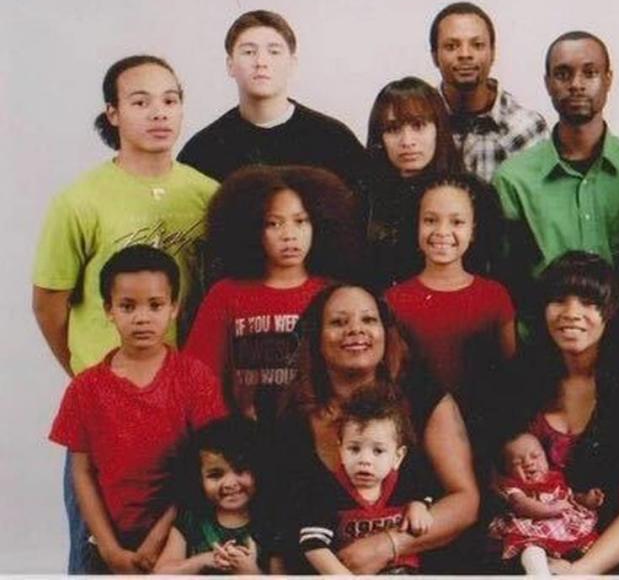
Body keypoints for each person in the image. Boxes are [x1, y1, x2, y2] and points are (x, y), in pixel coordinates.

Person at [32, 54, 217, 573]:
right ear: (112, 114)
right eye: (140, 102)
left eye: (170, 100)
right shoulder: (80, 201)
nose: (158, 113)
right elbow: (48, 303)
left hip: (182, 407)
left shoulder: (206, 194)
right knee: (97, 554)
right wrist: (84, 371)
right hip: (109, 415)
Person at [275, 283, 479, 574]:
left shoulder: (425, 400)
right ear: (316, 339)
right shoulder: (292, 417)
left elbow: (465, 502)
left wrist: (387, 546)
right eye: (338, 322)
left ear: (386, 333)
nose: (356, 329)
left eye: (369, 320)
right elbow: (281, 527)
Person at [48, 246, 226, 574]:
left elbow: (208, 467)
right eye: (128, 306)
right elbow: (82, 473)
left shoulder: (195, 378)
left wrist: (159, 538)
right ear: (108, 310)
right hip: (107, 541)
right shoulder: (85, 388)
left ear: (174, 308)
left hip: (181, 536)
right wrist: (109, 548)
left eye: (155, 305)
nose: (142, 318)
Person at [493, 31, 619, 329]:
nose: (576, 84)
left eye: (589, 73)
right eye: (563, 74)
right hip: (543, 348)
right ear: (548, 83)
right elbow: (505, 284)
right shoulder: (514, 182)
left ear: (608, 79)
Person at [499, 251, 619, 574]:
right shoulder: (516, 380)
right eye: (559, 300)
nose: (572, 313)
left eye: (589, 303)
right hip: (524, 554)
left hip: (607, 559)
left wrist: (579, 572)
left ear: (611, 312)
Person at [183, 165, 362, 427]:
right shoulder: (226, 294)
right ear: (251, 229)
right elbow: (200, 377)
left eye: (301, 221)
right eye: (273, 223)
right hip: (244, 442)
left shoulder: (335, 294)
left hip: (321, 438)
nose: (289, 235)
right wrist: (221, 435)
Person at [177, 9, 367, 190]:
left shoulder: (334, 139)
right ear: (230, 65)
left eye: (274, 52)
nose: (261, 62)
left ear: (292, 64)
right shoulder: (203, 149)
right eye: (249, 52)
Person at [385, 172, 515, 401]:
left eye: (457, 222)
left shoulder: (495, 296)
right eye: (430, 220)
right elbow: (392, 380)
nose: (442, 232)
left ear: (473, 229)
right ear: (416, 224)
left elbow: (511, 375)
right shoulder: (395, 299)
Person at [292, 385, 436, 574]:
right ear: (340, 449)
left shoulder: (405, 483)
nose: (365, 460)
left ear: (398, 457)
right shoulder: (328, 490)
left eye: (378, 451)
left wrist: (419, 506)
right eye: (354, 449)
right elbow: (312, 542)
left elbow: (427, 493)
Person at [430, 1, 549, 181]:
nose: (465, 54)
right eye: (451, 46)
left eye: (477, 45)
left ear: (493, 53)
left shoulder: (527, 127)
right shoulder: (417, 124)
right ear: (434, 56)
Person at [365, 77, 465, 288]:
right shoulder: (365, 199)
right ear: (379, 138)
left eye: (418, 126)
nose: (407, 141)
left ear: (439, 128)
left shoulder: (472, 194)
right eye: (392, 129)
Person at [155, 415, 276, 574]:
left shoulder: (272, 524)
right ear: (198, 479)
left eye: (240, 470)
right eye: (216, 475)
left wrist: (250, 572)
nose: (230, 483)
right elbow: (159, 574)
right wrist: (206, 560)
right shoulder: (191, 520)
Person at [488, 431, 601, 575]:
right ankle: (539, 572)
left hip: (563, 529)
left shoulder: (554, 478)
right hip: (533, 528)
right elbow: (521, 504)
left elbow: (569, 498)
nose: (528, 463)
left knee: (587, 547)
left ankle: (562, 567)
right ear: (507, 471)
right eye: (517, 462)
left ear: (546, 457)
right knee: (531, 550)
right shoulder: (513, 488)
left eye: (535, 456)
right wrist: (550, 509)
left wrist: (586, 500)